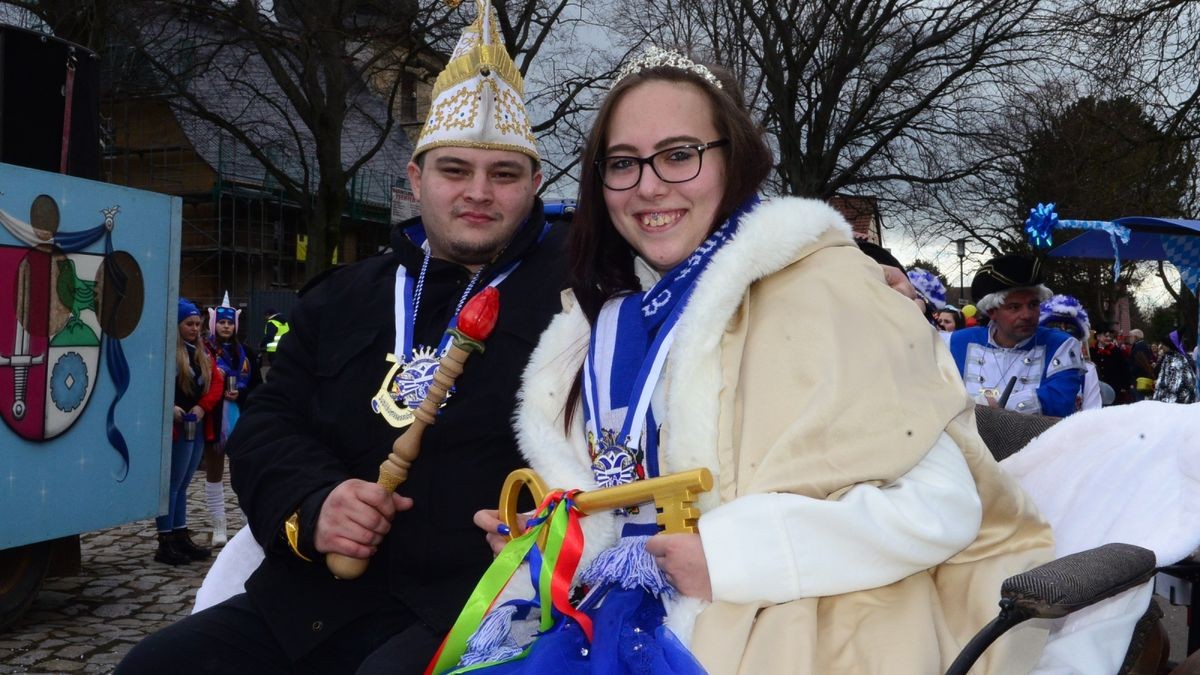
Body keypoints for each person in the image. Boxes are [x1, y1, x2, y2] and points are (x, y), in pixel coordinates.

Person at [462, 48, 1053, 674]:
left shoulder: (832, 292)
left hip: (795, 631)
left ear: (734, 157)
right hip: (607, 624)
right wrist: (557, 538)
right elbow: (617, 497)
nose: (649, 184)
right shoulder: (593, 325)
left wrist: (731, 556)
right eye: (622, 163)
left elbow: (940, 507)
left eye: (680, 154)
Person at [116, 2, 566, 672]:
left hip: (472, 604)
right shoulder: (342, 295)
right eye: (453, 170)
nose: (478, 192)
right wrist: (315, 503)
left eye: (503, 174)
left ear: (534, 185)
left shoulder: (576, 300)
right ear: (416, 180)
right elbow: (267, 423)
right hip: (315, 595)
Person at [947, 255, 1084, 417]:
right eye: (1014, 307)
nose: (1027, 315)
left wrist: (991, 404)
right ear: (992, 312)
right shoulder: (958, 342)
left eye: (1033, 304)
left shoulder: (1061, 345)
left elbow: (1060, 400)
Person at [155, 299, 223, 566]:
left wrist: (203, 407)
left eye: (197, 324)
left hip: (195, 425)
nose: (195, 328)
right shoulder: (169, 353)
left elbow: (216, 382)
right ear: (177, 325)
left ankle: (180, 533)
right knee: (171, 485)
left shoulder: (201, 351)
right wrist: (168, 408)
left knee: (183, 484)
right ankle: (165, 539)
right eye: (189, 324)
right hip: (176, 428)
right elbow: (154, 385)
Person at [204, 292, 259, 546]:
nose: (226, 326)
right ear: (214, 323)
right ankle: (219, 526)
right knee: (214, 471)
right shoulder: (204, 351)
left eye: (230, 323)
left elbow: (259, 386)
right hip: (214, 417)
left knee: (244, 472)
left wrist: (242, 393)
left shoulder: (246, 352)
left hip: (241, 417)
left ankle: (249, 523)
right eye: (221, 322)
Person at [1038, 294, 1101, 411]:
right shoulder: (1032, 363)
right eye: (1055, 327)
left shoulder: (1087, 370)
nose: (1063, 334)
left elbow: (1092, 414)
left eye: (1070, 329)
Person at [1151, 328, 1198, 404]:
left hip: (1176, 404)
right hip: (1166, 403)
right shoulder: (1167, 358)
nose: (1161, 346)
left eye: (1163, 344)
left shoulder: (1178, 360)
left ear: (1169, 346)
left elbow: (1176, 386)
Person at [1092, 329, 1132, 404]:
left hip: (1114, 388)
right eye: (1106, 336)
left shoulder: (1116, 351)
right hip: (1096, 390)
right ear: (1098, 337)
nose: (1109, 338)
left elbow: (1124, 369)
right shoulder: (1091, 351)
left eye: (1110, 336)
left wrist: (1125, 386)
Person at [258, 307, 288, 381]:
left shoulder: (272, 322)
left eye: (265, 316)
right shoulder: (285, 322)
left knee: (276, 370)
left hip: (274, 351)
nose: (265, 318)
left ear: (268, 315)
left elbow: (270, 336)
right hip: (285, 349)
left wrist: (262, 344)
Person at [1128, 328, 1156, 400]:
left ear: (1136, 337)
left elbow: (1139, 363)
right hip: (1142, 377)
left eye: (1131, 336)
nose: (1130, 338)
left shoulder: (1139, 347)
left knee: (1139, 400)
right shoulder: (1142, 345)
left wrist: (1131, 371)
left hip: (1139, 379)